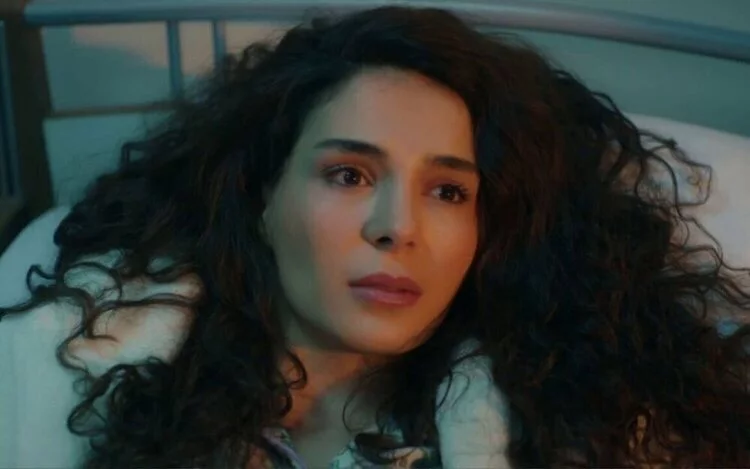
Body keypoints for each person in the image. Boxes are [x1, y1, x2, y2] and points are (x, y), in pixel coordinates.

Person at [2, 5, 750, 468]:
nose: (397, 227)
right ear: (260, 199)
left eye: (449, 191)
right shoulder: (74, 384)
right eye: (350, 174)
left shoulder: (579, 422)